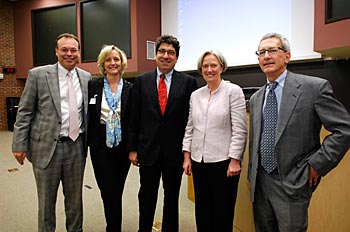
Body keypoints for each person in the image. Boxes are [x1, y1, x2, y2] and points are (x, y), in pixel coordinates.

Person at [247, 32, 350, 232]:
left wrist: (317, 165)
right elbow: (255, 142)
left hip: (293, 182)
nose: (266, 56)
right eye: (261, 52)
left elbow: (344, 129)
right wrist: (252, 174)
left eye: (272, 50)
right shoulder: (257, 97)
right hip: (260, 185)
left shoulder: (313, 88)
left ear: (287, 56)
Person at [12, 33, 91, 232]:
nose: (69, 54)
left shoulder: (87, 77)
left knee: (75, 202)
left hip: (76, 147)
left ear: (79, 52)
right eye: (64, 49)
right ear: (56, 51)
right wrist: (19, 145)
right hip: (47, 148)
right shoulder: (38, 75)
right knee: (47, 203)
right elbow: (25, 112)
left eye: (73, 50)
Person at [128, 34, 198, 232]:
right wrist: (132, 148)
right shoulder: (141, 81)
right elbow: (134, 117)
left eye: (171, 53)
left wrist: (188, 152)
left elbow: (190, 121)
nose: (166, 56)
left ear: (176, 58)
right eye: (162, 51)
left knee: (171, 196)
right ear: (155, 55)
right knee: (147, 195)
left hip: (174, 152)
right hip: (147, 150)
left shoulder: (188, 82)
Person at [182, 50, 247, 232]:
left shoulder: (233, 91)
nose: (209, 69)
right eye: (205, 66)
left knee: (222, 212)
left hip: (224, 163)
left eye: (213, 65)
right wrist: (187, 156)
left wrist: (235, 159)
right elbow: (190, 127)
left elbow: (240, 129)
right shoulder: (196, 95)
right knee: (202, 209)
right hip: (199, 161)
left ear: (222, 67)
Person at [87, 45, 132, 232]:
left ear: (122, 63)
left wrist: (133, 148)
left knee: (117, 189)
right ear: (102, 64)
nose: (113, 63)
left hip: (122, 147)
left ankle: (113, 227)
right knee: (107, 190)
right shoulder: (92, 86)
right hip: (100, 147)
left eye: (116, 59)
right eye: (108, 59)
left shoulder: (131, 88)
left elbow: (135, 120)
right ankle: (113, 226)